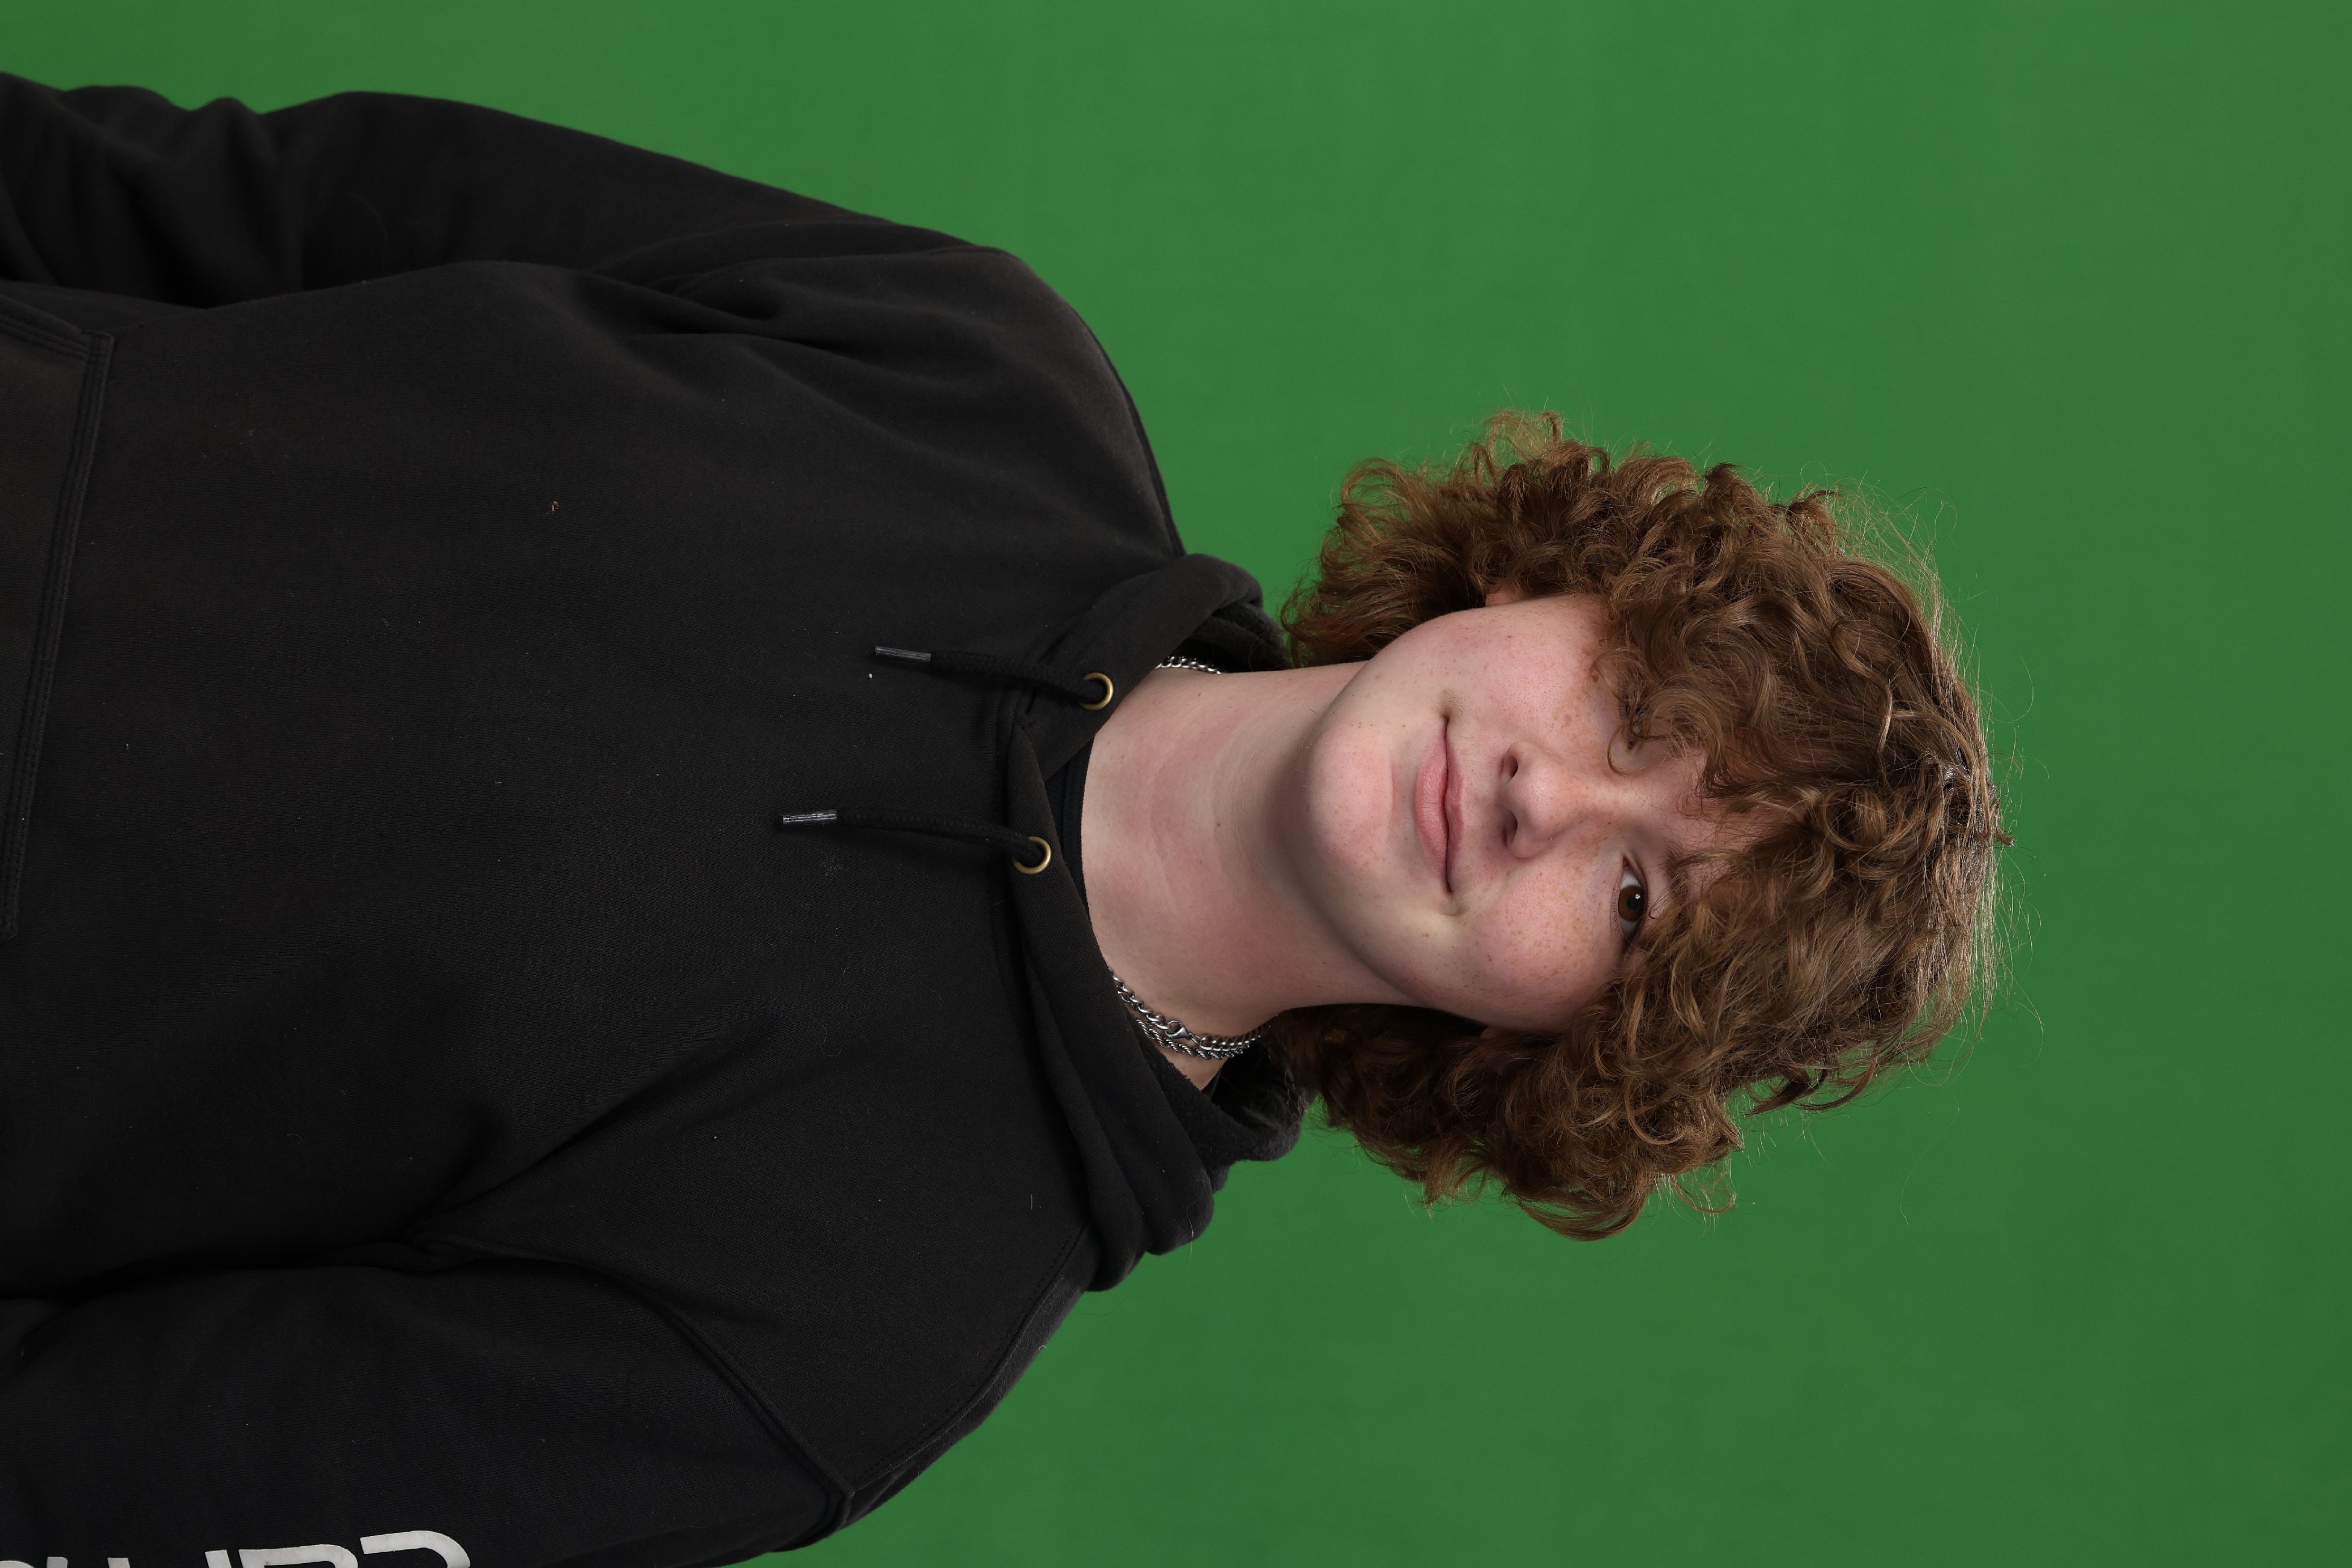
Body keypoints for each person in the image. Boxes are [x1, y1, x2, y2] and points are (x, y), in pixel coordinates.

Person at [0, 75, 2001, 1565]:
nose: (1543, 795)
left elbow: (67, 1485)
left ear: (1572, 1042)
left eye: (1637, 896)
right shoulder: (962, 362)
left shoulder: (831, 1347)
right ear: (1553, 580)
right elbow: (202, 194)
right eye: (1632, 709)